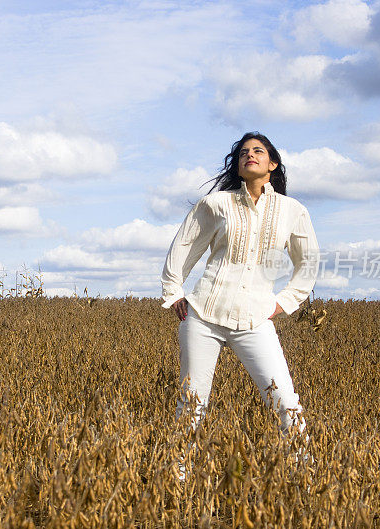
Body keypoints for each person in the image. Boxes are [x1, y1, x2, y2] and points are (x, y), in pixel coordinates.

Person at [161, 131, 319, 449]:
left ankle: (309, 484)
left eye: (259, 151)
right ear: (237, 166)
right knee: (191, 406)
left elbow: (308, 265)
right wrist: (174, 292)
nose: (250, 155)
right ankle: (176, 484)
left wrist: (283, 302)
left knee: (286, 403)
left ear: (273, 163)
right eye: (244, 152)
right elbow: (183, 247)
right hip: (203, 315)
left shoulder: (293, 210)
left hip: (256, 319)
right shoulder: (216, 204)